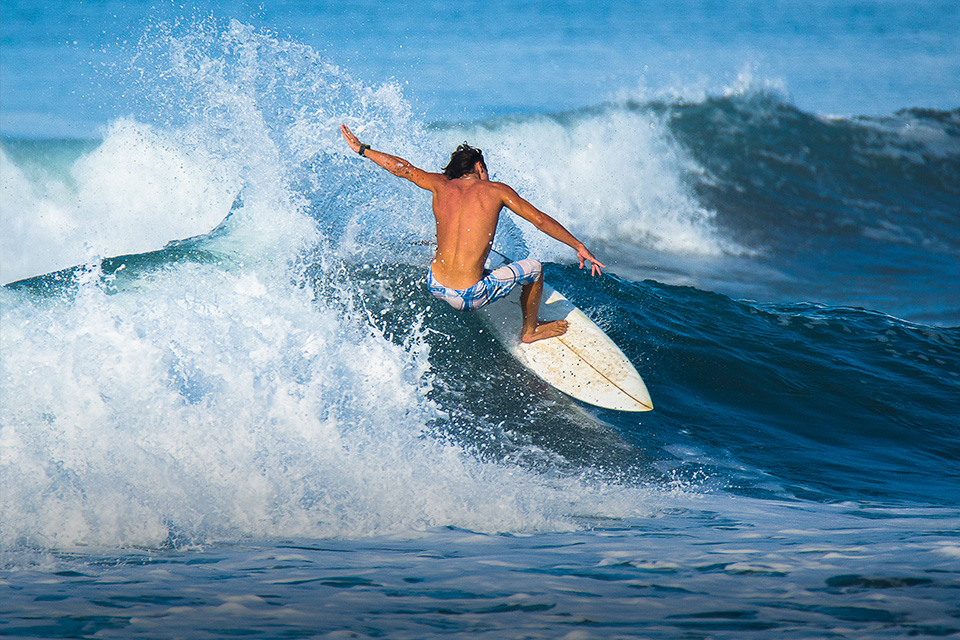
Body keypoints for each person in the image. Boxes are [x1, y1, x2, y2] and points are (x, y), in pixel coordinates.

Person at [340, 124, 605, 343]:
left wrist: (363, 149)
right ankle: (530, 330)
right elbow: (539, 220)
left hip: (435, 284)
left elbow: (403, 168)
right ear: (479, 166)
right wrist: (578, 245)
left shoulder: (439, 185)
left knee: (453, 245)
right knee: (534, 268)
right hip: (468, 295)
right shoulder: (496, 190)